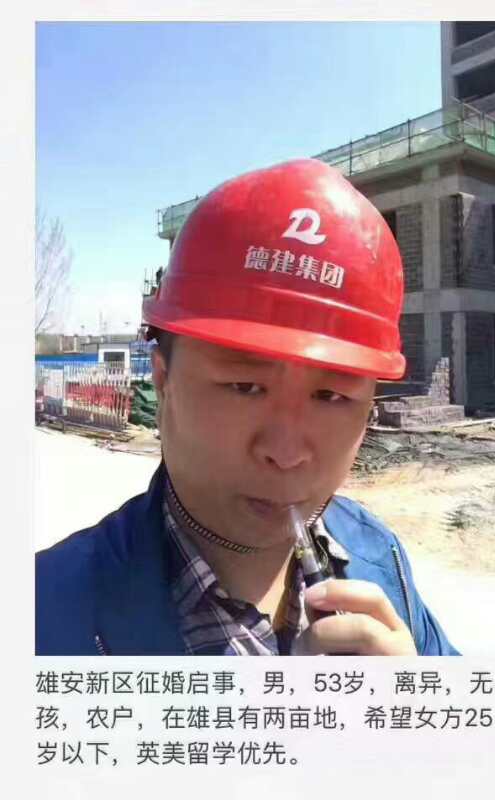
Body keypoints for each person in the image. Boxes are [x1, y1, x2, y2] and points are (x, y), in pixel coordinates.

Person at [36, 158, 459, 656]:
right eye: (244, 386)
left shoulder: (378, 556)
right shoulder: (43, 615)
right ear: (163, 380)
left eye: (331, 396)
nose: (286, 452)